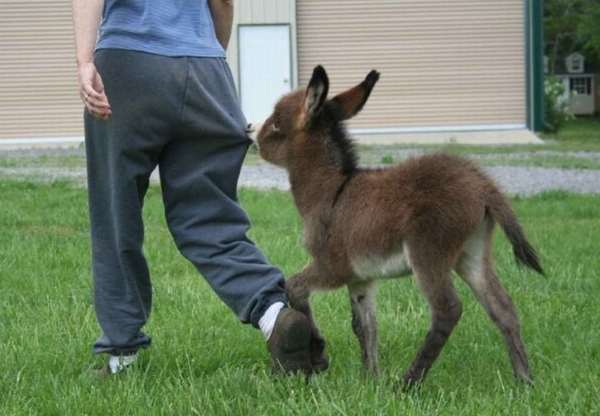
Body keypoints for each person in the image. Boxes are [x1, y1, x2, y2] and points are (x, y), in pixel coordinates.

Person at [72, 0, 314, 375]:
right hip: (205, 65)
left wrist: (85, 61)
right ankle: (273, 313)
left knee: (115, 213)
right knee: (209, 218)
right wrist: (209, 57)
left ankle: (122, 356)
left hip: (128, 64)